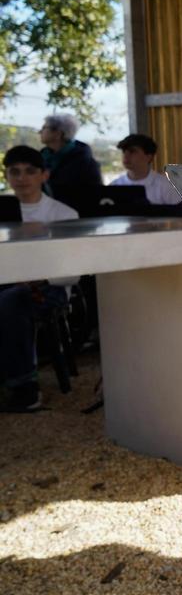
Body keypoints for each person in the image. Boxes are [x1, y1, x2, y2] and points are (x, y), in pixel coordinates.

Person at [1, 146, 80, 412]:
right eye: (14, 172)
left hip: (49, 288)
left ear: (44, 176)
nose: (22, 178)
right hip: (7, 284)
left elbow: (72, 272)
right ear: (7, 176)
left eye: (30, 171)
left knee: (12, 301)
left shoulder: (64, 215)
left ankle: (25, 389)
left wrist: (36, 278)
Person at [39, 113, 101, 208]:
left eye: (44, 128)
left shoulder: (84, 162)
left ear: (58, 133)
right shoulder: (40, 158)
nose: (39, 132)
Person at [110, 134, 182, 205]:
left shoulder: (165, 185)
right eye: (124, 151)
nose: (126, 156)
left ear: (148, 157)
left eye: (132, 151)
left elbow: (180, 214)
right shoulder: (114, 186)